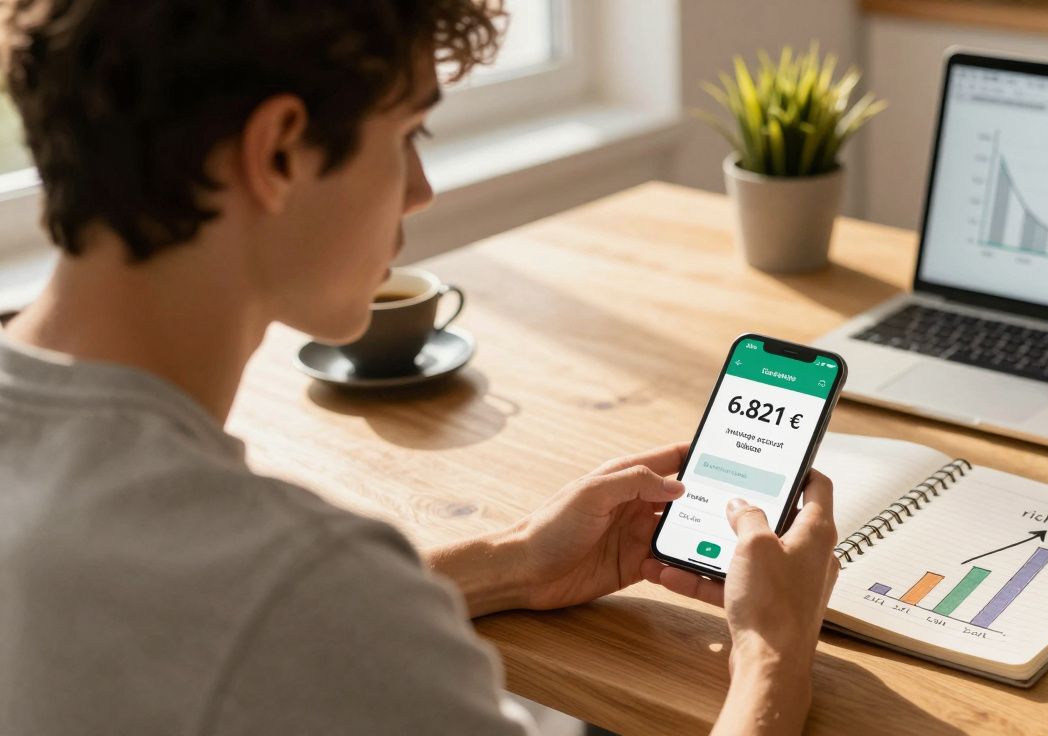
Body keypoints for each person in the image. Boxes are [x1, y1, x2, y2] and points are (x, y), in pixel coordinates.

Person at [0, 1, 840, 734]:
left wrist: (511, 558)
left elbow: (208, 621)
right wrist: (774, 655)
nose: (421, 188)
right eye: (408, 132)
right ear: (279, 152)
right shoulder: (302, 587)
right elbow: (292, 610)